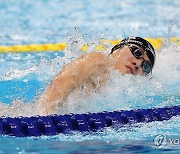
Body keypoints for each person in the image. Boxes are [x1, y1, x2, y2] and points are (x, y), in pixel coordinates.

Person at [37, 36, 156, 115]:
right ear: (118, 49)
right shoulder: (100, 61)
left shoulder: (121, 91)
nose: (138, 63)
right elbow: (62, 82)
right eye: (137, 52)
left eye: (145, 66)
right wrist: (46, 117)